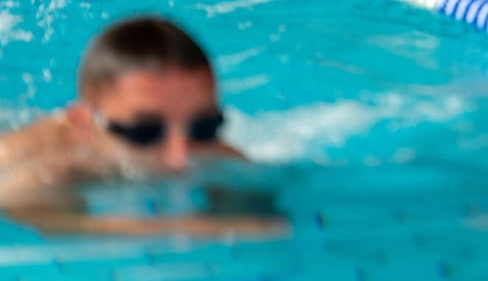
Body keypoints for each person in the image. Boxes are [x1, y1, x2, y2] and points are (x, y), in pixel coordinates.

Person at [0, 16, 288, 237]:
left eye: (204, 127)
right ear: (84, 126)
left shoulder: (220, 156)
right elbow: (54, 224)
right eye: (145, 132)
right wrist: (185, 230)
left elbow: (268, 224)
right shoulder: (44, 169)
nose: (181, 158)